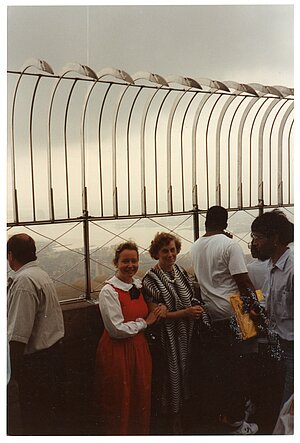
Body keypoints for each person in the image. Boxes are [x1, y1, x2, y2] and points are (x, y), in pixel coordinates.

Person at [190, 206, 259, 435]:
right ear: (226, 223)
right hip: (235, 314)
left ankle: (229, 414)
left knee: (222, 370)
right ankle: (238, 422)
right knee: (240, 368)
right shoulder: (230, 246)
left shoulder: (196, 246)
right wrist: (256, 310)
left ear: (206, 222)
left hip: (211, 316)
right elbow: (243, 281)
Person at [142, 232, 204, 434]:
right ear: (156, 254)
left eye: (172, 250)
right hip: (167, 338)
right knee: (171, 375)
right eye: (165, 251)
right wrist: (186, 312)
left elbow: (190, 296)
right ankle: (172, 420)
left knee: (185, 372)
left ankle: (182, 415)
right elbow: (157, 316)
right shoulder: (150, 279)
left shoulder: (179, 271)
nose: (170, 254)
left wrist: (194, 308)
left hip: (186, 334)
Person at [95, 241, 159, 435]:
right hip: (117, 352)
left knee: (140, 397)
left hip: (139, 349)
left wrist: (159, 308)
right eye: (125, 261)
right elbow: (116, 329)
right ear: (116, 262)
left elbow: (151, 306)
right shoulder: (109, 291)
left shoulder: (137, 286)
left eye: (134, 261)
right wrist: (145, 323)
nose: (130, 265)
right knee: (119, 400)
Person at [7, 233, 65, 435]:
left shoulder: (23, 282)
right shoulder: (41, 275)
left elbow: (18, 334)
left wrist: (11, 376)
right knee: (49, 420)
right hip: (53, 356)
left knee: (34, 420)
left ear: (11, 256)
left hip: (36, 364)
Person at [251, 209, 294, 414]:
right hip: (280, 346)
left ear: (275, 238)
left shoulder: (293, 269)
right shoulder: (272, 266)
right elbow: (268, 302)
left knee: (288, 408)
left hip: (293, 349)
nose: (255, 243)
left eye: (258, 237)